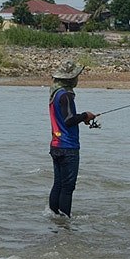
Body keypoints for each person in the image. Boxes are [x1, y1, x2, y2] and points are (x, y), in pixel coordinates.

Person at [48, 60, 95, 217]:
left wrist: (81, 118)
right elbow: (69, 121)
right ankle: (65, 224)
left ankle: (53, 218)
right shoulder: (66, 96)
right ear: (70, 79)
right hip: (68, 147)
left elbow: (64, 119)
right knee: (68, 188)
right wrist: (84, 116)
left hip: (56, 145)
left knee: (58, 185)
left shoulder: (55, 94)